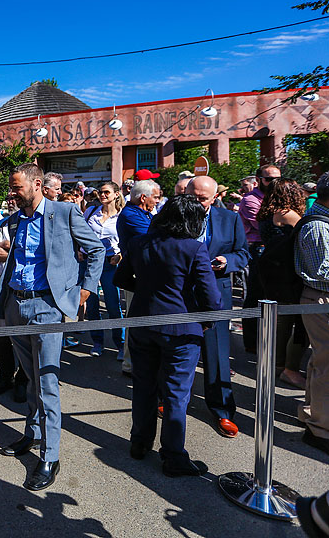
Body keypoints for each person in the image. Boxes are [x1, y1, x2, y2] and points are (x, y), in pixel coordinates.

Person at [0, 163, 104, 491]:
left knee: (47, 383)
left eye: (17, 187)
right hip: (16, 305)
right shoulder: (16, 220)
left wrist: (85, 289)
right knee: (30, 377)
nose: (12, 194)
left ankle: (50, 456)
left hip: (47, 307)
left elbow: (97, 250)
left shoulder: (65, 212)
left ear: (37, 184)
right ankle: (33, 434)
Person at [113, 194, 222, 477]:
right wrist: (204, 319)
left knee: (144, 387)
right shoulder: (193, 248)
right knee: (176, 393)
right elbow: (211, 297)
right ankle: (173, 455)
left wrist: (149, 293)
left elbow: (120, 279)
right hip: (181, 328)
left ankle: (139, 443)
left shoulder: (139, 243)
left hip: (143, 323)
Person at [185, 176, 251, 439]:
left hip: (217, 293)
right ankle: (171, 399)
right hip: (181, 294)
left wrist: (227, 261)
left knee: (217, 353)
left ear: (214, 197)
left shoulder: (230, 219)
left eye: (202, 198)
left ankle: (222, 410)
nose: (197, 203)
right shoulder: (174, 216)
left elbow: (243, 252)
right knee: (179, 351)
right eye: (193, 197)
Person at [256, 178, 309, 389]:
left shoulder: (266, 213)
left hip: (272, 272)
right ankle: (290, 369)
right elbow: (304, 230)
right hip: (289, 274)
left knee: (280, 320)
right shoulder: (288, 214)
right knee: (297, 322)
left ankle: (276, 366)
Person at [295, 171, 329, 456]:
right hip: (321, 298)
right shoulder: (319, 226)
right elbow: (322, 271)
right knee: (326, 365)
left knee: (321, 362)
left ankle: (312, 415)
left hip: (319, 298)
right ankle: (320, 429)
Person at [115, 179, 162, 374]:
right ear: (143, 197)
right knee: (135, 318)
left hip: (145, 272)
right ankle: (130, 364)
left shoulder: (144, 213)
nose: (158, 201)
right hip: (136, 273)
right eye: (156, 197)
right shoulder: (131, 216)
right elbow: (155, 237)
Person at [0, 196, 29, 403]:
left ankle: (22, 380)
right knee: (2, 335)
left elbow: (34, 254)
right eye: (9, 198)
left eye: (15, 197)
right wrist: (16, 250)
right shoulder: (2, 225)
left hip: (25, 289)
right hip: (3, 287)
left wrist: (8, 248)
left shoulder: (31, 224)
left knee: (23, 337)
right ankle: (5, 377)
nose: (11, 201)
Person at [239, 164, 282, 352]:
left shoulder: (275, 197)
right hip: (258, 248)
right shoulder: (250, 199)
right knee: (256, 294)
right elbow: (263, 224)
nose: (274, 182)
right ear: (259, 180)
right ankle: (251, 342)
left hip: (273, 248)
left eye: (278, 178)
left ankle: (267, 340)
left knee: (271, 295)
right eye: (269, 179)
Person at [80, 181, 126, 357]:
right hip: (89, 261)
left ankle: (120, 344)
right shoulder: (91, 211)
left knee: (113, 304)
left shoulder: (122, 216)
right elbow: (80, 232)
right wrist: (79, 249)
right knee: (91, 304)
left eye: (106, 192)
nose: (102, 194)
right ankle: (97, 341)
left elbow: (126, 240)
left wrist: (120, 255)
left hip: (109, 263)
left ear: (116, 194)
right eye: (100, 192)